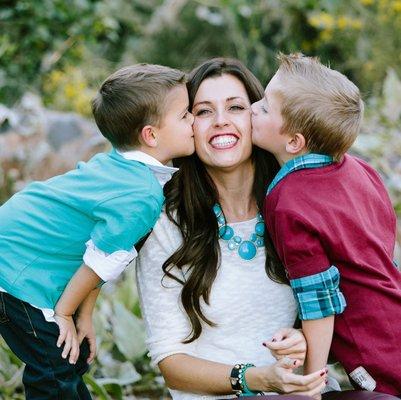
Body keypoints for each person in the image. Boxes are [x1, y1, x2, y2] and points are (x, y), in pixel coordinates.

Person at [136, 58, 329, 400]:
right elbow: (169, 360)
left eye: (236, 107)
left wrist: (304, 339)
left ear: (258, 117)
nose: (221, 121)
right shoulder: (166, 223)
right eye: (204, 111)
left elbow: (347, 305)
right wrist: (254, 378)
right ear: (187, 125)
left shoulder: (298, 208)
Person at [0, 63, 194, 399]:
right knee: (54, 369)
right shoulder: (141, 194)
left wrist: (83, 316)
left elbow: (98, 254)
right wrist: (64, 313)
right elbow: (99, 263)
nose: (194, 121)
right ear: (151, 134)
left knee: (69, 365)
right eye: (186, 115)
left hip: (15, 252)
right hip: (16, 269)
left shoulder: (121, 168)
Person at [251, 53, 401, 397]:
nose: (252, 109)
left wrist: (310, 382)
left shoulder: (289, 202)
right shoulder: (360, 170)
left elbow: (318, 300)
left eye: (264, 107)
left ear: (294, 142)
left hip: (372, 346)